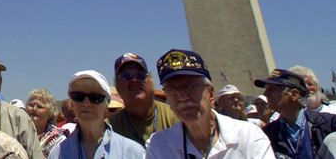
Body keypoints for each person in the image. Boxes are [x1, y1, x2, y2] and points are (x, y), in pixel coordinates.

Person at [147, 48, 275, 159]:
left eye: (190, 87)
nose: (182, 97)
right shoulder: (158, 145)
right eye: (172, 89)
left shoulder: (249, 136)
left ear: (211, 94)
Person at [49, 70, 144, 159]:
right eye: (78, 96)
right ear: (72, 104)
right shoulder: (58, 153)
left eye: (95, 97)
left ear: (107, 105)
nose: (86, 103)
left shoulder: (132, 152)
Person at [256, 68, 336, 159]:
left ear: (294, 94)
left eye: (272, 89)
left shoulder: (329, 124)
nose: (265, 93)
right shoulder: (268, 133)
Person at [107, 52, 177, 146]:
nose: (134, 81)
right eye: (126, 77)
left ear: (151, 82)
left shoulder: (175, 117)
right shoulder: (110, 127)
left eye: (140, 76)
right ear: (117, 86)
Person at [26, 88, 70, 157]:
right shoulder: (20, 132)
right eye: (31, 105)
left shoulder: (58, 137)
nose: (34, 109)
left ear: (49, 113)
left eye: (40, 107)